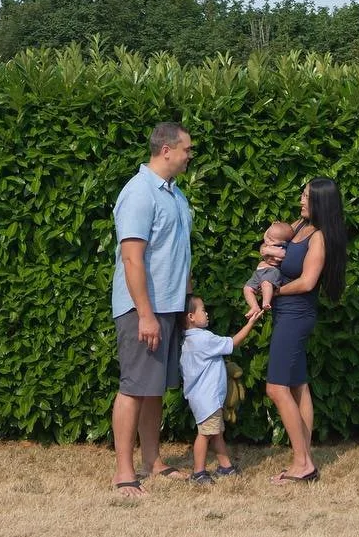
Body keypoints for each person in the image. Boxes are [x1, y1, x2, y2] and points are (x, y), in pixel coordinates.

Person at [110, 122, 195, 497]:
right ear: (166, 150)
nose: (190, 156)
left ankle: (152, 461)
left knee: (153, 388)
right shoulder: (139, 192)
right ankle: (124, 472)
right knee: (133, 387)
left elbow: (180, 254)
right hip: (143, 308)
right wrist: (144, 314)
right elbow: (132, 258)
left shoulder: (175, 195)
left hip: (168, 308)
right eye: (187, 150)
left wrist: (189, 300)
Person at [265, 177, 348, 485]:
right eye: (302, 194)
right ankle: (304, 458)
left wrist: (274, 292)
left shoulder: (319, 238)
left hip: (296, 315)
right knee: (298, 385)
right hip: (286, 313)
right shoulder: (300, 226)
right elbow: (272, 243)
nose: (301, 200)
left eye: (307, 197)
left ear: (321, 203)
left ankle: (303, 464)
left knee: (276, 388)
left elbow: (308, 282)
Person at [179, 294, 263, 483]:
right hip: (208, 399)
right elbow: (232, 343)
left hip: (202, 399)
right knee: (205, 434)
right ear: (191, 317)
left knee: (216, 433)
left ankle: (226, 467)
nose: (207, 313)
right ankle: (198, 472)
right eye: (203, 310)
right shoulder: (203, 339)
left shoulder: (187, 341)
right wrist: (250, 324)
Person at [242, 220, 295, 314]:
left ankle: (266, 302)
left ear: (282, 242)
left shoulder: (281, 247)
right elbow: (266, 236)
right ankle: (254, 307)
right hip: (260, 271)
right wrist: (272, 226)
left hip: (271, 271)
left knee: (266, 283)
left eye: (271, 240)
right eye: (268, 237)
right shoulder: (271, 240)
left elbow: (282, 254)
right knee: (247, 288)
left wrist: (267, 250)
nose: (267, 240)